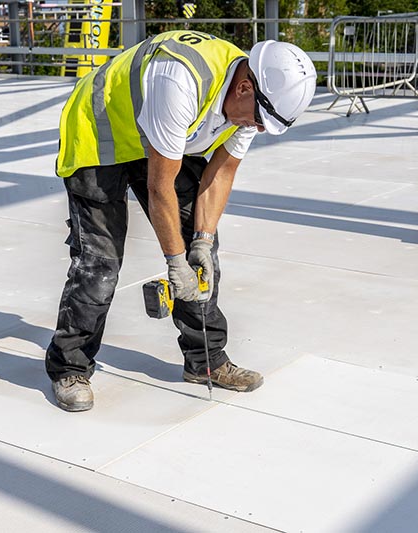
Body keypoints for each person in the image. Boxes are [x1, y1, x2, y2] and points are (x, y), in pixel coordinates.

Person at [47, 30, 316, 412]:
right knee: (100, 262)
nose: (258, 128)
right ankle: (69, 366)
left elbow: (220, 174)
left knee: (200, 249)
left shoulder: (255, 100)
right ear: (243, 88)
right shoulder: (181, 80)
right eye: (258, 119)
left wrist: (201, 242)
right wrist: (175, 263)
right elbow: (161, 189)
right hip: (100, 130)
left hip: (159, 135)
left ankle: (206, 360)